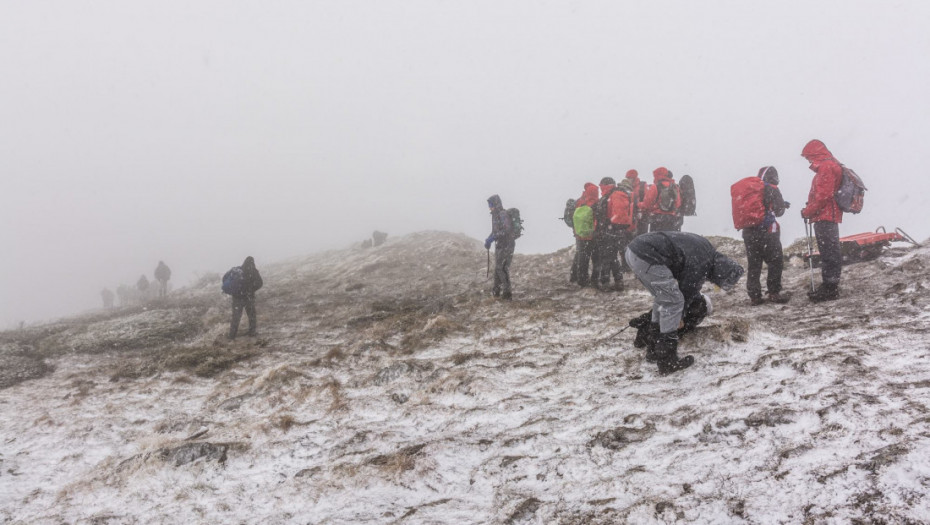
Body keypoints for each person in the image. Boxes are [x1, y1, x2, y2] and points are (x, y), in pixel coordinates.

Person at [624, 232, 744, 375]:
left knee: (663, 297)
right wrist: (680, 316)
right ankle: (667, 360)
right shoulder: (703, 261)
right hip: (647, 255)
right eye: (719, 281)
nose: (713, 282)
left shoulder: (706, 251)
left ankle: (653, 350)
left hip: (634, 251)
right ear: (721, 272)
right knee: (674, 301)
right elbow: (688, 290)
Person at [800, 139, 843, 302]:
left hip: (825, 215)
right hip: (827, 215)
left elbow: (823, 196)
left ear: (815, 154)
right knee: (830, 251)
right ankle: (829, 286)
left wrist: (808, 211)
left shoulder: (826, 167)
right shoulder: (830, 165)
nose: (808, 161)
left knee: (829, 252)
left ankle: (830, 288)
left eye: (808, 157)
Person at [743, 167, 790, 305]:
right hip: (768, 231)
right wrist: (782, 205)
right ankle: (774, 293)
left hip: (749, 231)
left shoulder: (751, 190)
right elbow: (779, 211)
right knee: (775, 261)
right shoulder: (772, 188)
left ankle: (755, 296)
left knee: (754, 264)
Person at [594, 176, 636, 291]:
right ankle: (619, 281)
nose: (600, 189)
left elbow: (604, 216)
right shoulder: (618, 194)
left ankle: (605, 282)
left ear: (605, 186)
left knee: (606, 257)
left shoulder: (609, 196)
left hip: (609, 231)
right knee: (613, 257)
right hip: (619, 231)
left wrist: (604, 228)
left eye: (601, 187)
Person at [485, 195, 516, 300]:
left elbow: (507, 230)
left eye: (491, 205)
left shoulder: (502, 214)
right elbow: (495, 231)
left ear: (496, 204)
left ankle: (507, 293)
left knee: (502, 268)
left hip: (507, 244)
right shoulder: (495, 215)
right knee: (498, 268)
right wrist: (489, 239)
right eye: (489, 205)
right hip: (500, 244)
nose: (490, 207)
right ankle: (496, 291)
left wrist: (493, 237)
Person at [226, 256, 263, 339]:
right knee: (252, 315)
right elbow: (260, 283)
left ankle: (231, 336)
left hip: (236, 298)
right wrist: (251, 289)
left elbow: (225, 279)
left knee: (235, 318)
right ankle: (252, 333)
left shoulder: (237, 271)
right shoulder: (253, 271)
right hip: (248, 298)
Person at [571, 183, 600, 287]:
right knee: (596, 258)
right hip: (593, 235)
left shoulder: (580, 201)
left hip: (581, 235)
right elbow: (599, 219)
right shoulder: (597, 202)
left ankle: (581, 279)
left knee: (582, 258)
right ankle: (595, 280)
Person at [641, 167, 682, 232]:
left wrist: (639, 205)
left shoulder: (655, 186)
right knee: (668, 240)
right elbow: (678, 204)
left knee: (656, 240)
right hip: (671, 219)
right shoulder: (674, 187)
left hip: (657, 219)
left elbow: (647, 204)